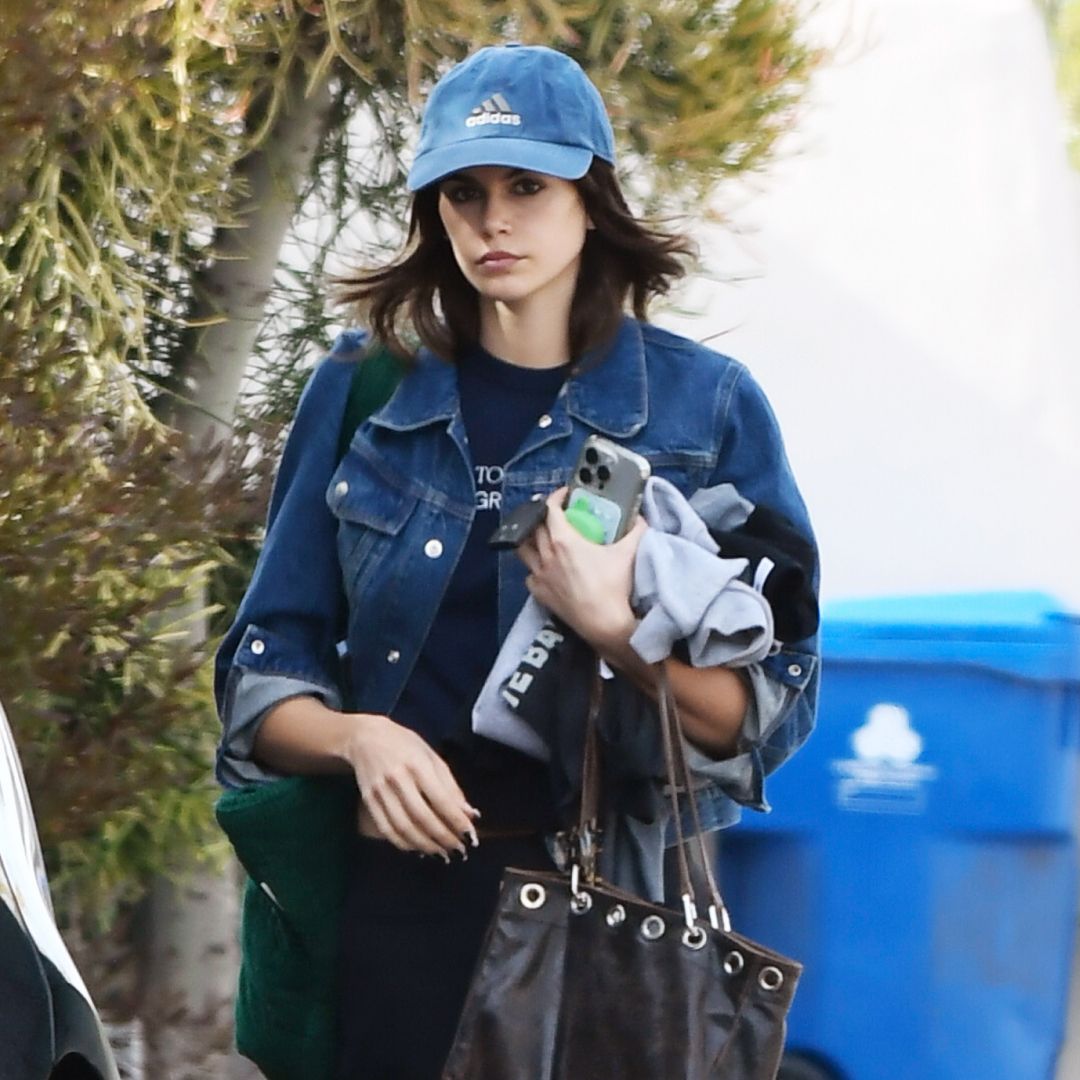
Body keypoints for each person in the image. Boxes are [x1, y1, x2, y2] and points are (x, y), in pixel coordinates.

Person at [214, 42, 819, 1080]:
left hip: (605, 919)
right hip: (388, 920)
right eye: (463, 192)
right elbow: (263, 672)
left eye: (527, 188)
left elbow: (767, 712)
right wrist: (358, 739)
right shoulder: (366, 395)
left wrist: (613, 631)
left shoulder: (704, 409)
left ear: (591, 198)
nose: (492, 221)